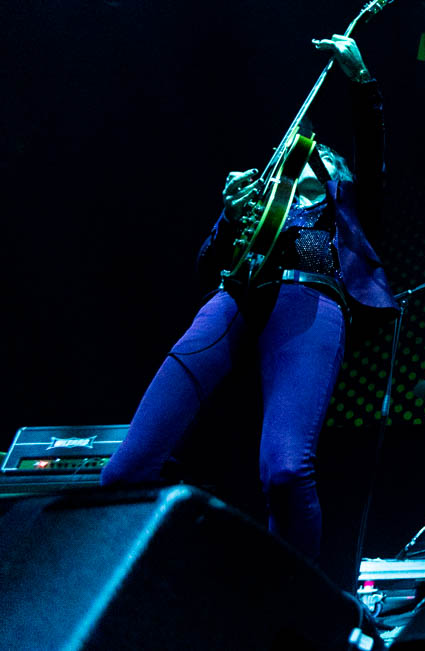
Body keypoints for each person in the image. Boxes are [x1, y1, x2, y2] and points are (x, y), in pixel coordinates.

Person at [101, 36, 397, 561]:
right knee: (125, 470)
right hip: (233, 300)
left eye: (321, 159)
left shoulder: (346, 205)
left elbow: (371, 150)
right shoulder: (261, 209)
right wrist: (229, 217)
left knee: (285, 472)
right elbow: (206, 268)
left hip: (308, 300)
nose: (307, 161)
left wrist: (361, 80)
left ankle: (294, 600)